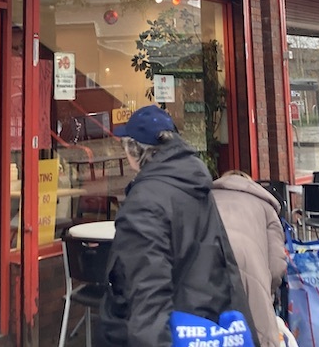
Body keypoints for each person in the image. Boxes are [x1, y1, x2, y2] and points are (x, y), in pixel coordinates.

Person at [100, 104, 254, 346]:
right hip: (207, 328)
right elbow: (227, 268)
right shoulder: (193, 184)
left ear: (134, 149)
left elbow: (147, 297)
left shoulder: (144, 202)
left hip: (173, 332)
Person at [212, 170, 287, 347]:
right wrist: (267, 291)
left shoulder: (206, 199)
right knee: (259, 335)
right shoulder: (266, 207)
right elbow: (277, 266)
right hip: (251, 276)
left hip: (209, 275)